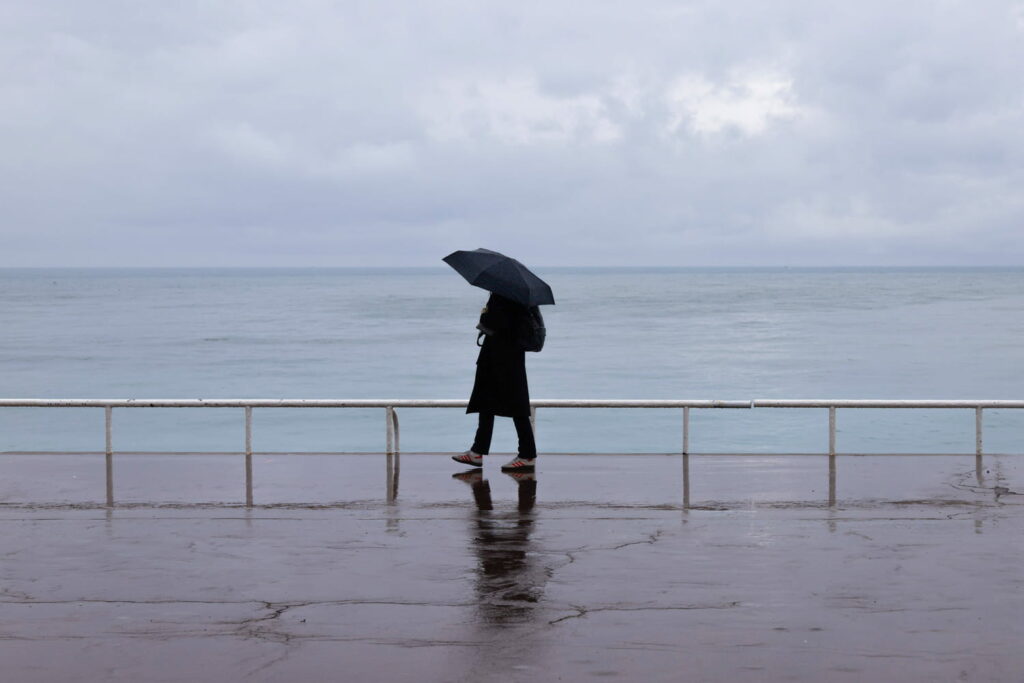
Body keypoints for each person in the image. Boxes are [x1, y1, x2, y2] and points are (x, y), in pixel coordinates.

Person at [453, 293, 537, 472]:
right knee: (487, 403)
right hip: (505, 356)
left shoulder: (504, 297)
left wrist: (485, 314)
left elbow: (497, 323)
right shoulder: (517, 297)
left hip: (503, 357)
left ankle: (527, 454)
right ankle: (478, 451)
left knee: (516, 406)